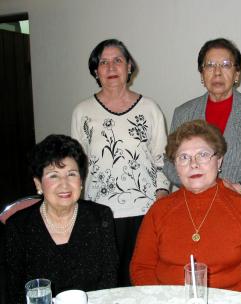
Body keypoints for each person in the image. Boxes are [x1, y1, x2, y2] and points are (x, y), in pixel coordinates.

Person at [71, 39, 170, 286]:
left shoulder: (149, 109)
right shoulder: (82, 111)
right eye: (103, 62)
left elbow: (162, 158)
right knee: (107, 281)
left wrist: (161, 196)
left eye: (118, 60)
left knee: (142, 280)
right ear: (96, 71)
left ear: (129, 67)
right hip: (99, 212)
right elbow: (75, 166)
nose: (111, 67)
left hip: (145, 211)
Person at [130, 120, 241, 294]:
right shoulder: (160, 210)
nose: (193, 164)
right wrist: (160, 299)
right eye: (184, 157)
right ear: (175, 166)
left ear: (219, 161)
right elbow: (142, 267)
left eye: (203, 155)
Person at [163, 37, 241, 226]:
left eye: (226, 65)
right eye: (210, 65)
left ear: (237, 73)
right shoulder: (184, 113)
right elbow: (169, 162)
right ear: (201, 74)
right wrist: (197, 186)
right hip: (195, 213)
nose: (217, 72)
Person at [4, 134, 118, 303]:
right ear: (38, 183)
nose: (64, 184)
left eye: (71, 174)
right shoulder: (18, 227)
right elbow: (13, 293)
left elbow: (109, 283)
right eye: (53, 175)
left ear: (81, 181)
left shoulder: (100, 217)